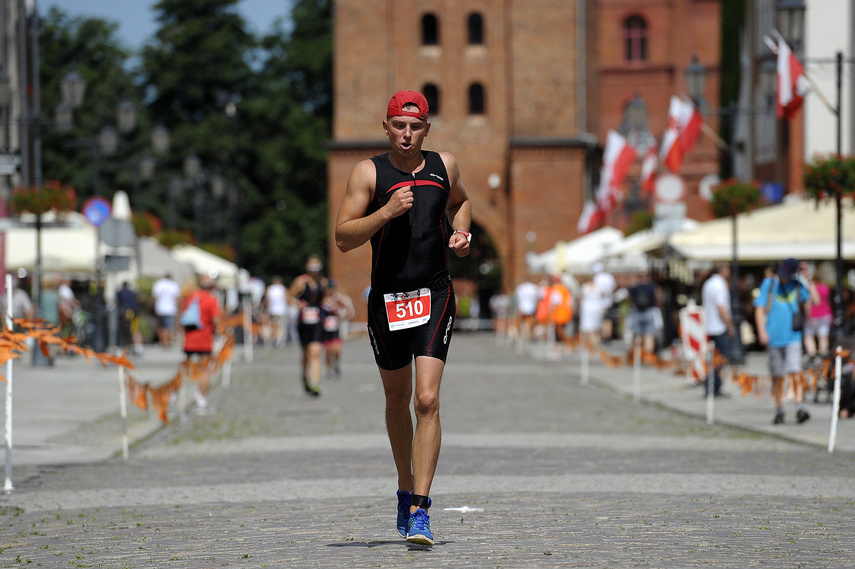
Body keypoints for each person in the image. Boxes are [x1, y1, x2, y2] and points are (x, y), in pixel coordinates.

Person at [334, 90, 471, 546]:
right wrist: (385, 212)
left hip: (434, 294)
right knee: (398, 400)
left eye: (415, 127)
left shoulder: (444, 165)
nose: (407, 135)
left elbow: (460, 202)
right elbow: (342, 236)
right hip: (388, 301)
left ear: (427, 128)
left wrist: (462, 231)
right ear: (386, 127)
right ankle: (404, 484)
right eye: (399, 126)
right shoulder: (369, 172)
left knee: (426, 400)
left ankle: (421, 509)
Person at [753, 258, 818, 425]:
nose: (784, 275)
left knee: (796, 372)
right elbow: (759, 309)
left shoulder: (797, 284)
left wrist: (808, 279)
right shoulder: (769, 284)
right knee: (777, 376)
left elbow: (815, 301)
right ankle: (779, 409)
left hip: (793, 336)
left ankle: (799, 408)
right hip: (774, 337)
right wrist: (762, 331)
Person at [181, 274, 221, 412]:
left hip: (189, 340)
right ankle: (202, 398)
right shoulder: (211, 300)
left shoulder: (191, 298)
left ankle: (176, 395)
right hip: (204, 339)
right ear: (211, 286)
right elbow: (216, 320)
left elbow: (183, 317)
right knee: (204, 370)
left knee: (186, 368)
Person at [290, 256, 328, 396]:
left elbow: (326, 298)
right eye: (312, 269)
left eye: (317, 269)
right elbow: (289, 296)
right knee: (306, 353)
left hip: (317, 320)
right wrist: (298, 304)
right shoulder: (301, 282)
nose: (315, 272)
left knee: (315, 352)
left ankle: (315, 382)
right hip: (304, 321)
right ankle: (305, 376)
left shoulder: (323, 282)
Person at [701, 264, 735, 397]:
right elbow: (722, 308)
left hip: (709, 326)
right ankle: (715, 387)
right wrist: (730, 325)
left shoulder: (708, 283)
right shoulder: (720, 285)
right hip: (719, 327)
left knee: (711, 359)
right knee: (720, 360)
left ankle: (709, 386)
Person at [320, 279, 355, 378]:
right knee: (327, 350)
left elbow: (348, 310)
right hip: (325, 328)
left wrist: (340, 315)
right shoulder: (322, 299)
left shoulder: (337, 298)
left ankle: (336, 364)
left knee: (336, 350)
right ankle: (329, 368)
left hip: (335, 328)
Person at [804, 263, 832, 366]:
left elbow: (809, 302)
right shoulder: (825, 286)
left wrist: (808, 315)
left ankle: (812, 354)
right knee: (823, 336)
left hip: (814, 314)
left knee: (808, 336)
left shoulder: (810, 287)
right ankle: (822, 356)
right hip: (825, 314)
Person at [628, 274, 658, 354]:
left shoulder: (636, 287)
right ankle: (648, 355)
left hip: (637, 312)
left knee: (637, 335)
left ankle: (638, 355)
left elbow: (630, 298)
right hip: (649, 311)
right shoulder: (652, 287)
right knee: (649, 334)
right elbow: (657, 297)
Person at [152, 272, 182, 348]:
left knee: (161, 327)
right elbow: (177, 298)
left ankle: (163, 342)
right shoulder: (173, 285)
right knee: (169, 327)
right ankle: (167, 343)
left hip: (160, 308)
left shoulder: (158, 284)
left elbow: (154, 297)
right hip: (170, 309)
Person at [116, 281, 144, 355]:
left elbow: (118, 303)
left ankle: (126, 346)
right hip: (135, 312)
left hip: (127, 312)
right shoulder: (133, 292)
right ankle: (139, 347)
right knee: (136, 330)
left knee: (125, 330)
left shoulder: (120, 293)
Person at [578, 275, 605, 349]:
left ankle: (591, 342)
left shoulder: (585, 287)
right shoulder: (599, 286)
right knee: (596, 326)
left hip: (588, 308)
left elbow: (580, 297)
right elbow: (604, 295)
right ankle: (595, 341)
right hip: (597, 307)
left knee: (589, 326)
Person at [592, 263, 617, 342]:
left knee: (601, 320)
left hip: (598, 304)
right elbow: (614, 287)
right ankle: (607, 335)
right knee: (608, 319)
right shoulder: (609, 276)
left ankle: (602, 336)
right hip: (608, 302)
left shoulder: (597, 278)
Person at [263, 276, 289, 347]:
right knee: (280, 326)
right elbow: (286, 298)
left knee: (273, 325)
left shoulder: (270, 289)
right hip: (281, 310)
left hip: (272, 310)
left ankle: (274, 338)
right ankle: (279, 340)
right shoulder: (282, 288)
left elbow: (266, 300)